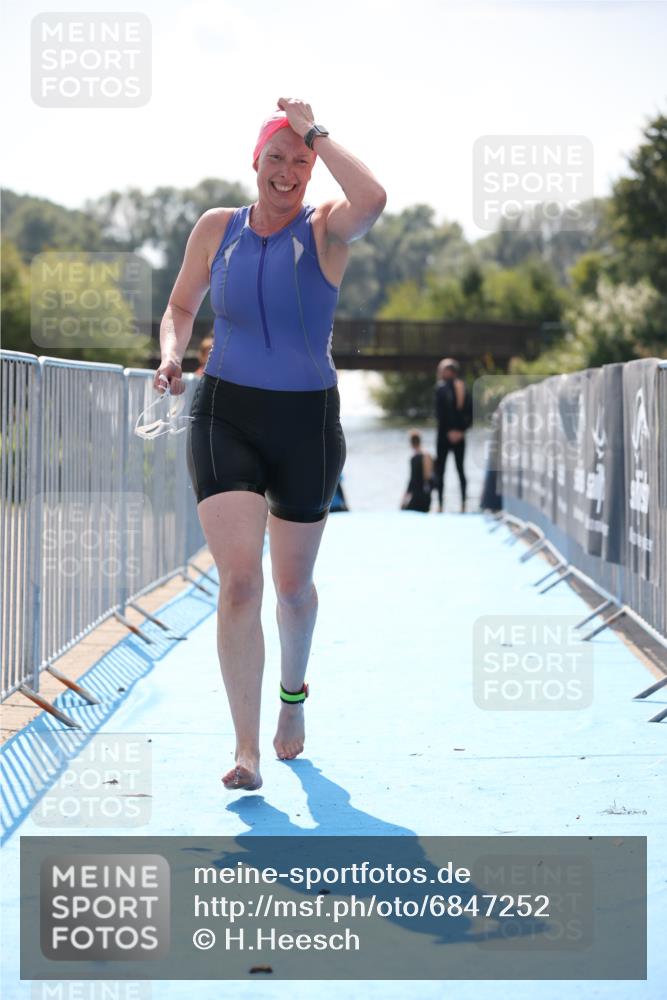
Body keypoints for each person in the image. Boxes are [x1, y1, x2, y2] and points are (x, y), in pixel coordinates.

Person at [153, 97, 386, 791]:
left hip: (306, 425)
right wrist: (170, 354)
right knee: (241, 582)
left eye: (301, 160)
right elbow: (180, 307)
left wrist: (318, 129)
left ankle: (292, 700)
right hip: (224, 411)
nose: (286, 172)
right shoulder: (215, 228)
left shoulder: (326, 232)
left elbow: (372, 197)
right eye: (275, 158)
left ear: (313, 168)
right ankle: (245, 748)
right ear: (255, 162)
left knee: (291, 588)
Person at [434, 358, 472, 513]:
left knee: (443, 470)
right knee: (459, 470)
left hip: (445, 436)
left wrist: (451, 431)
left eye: (443, 369)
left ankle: (441, 506)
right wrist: (461, 431)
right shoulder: (463, 387)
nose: (441, 372)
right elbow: (470, 414)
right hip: (458, 436)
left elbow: (440, 414)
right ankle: (462, 505)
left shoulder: (441, 388)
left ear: (450, 371)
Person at [400, 431, 434, 512]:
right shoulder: (427, 456)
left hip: (417, 496)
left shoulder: (413, 459)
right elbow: (429, 477)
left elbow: (412, 481)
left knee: (404, 510)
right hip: (426, 496)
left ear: (411, 444)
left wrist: (404, 500)